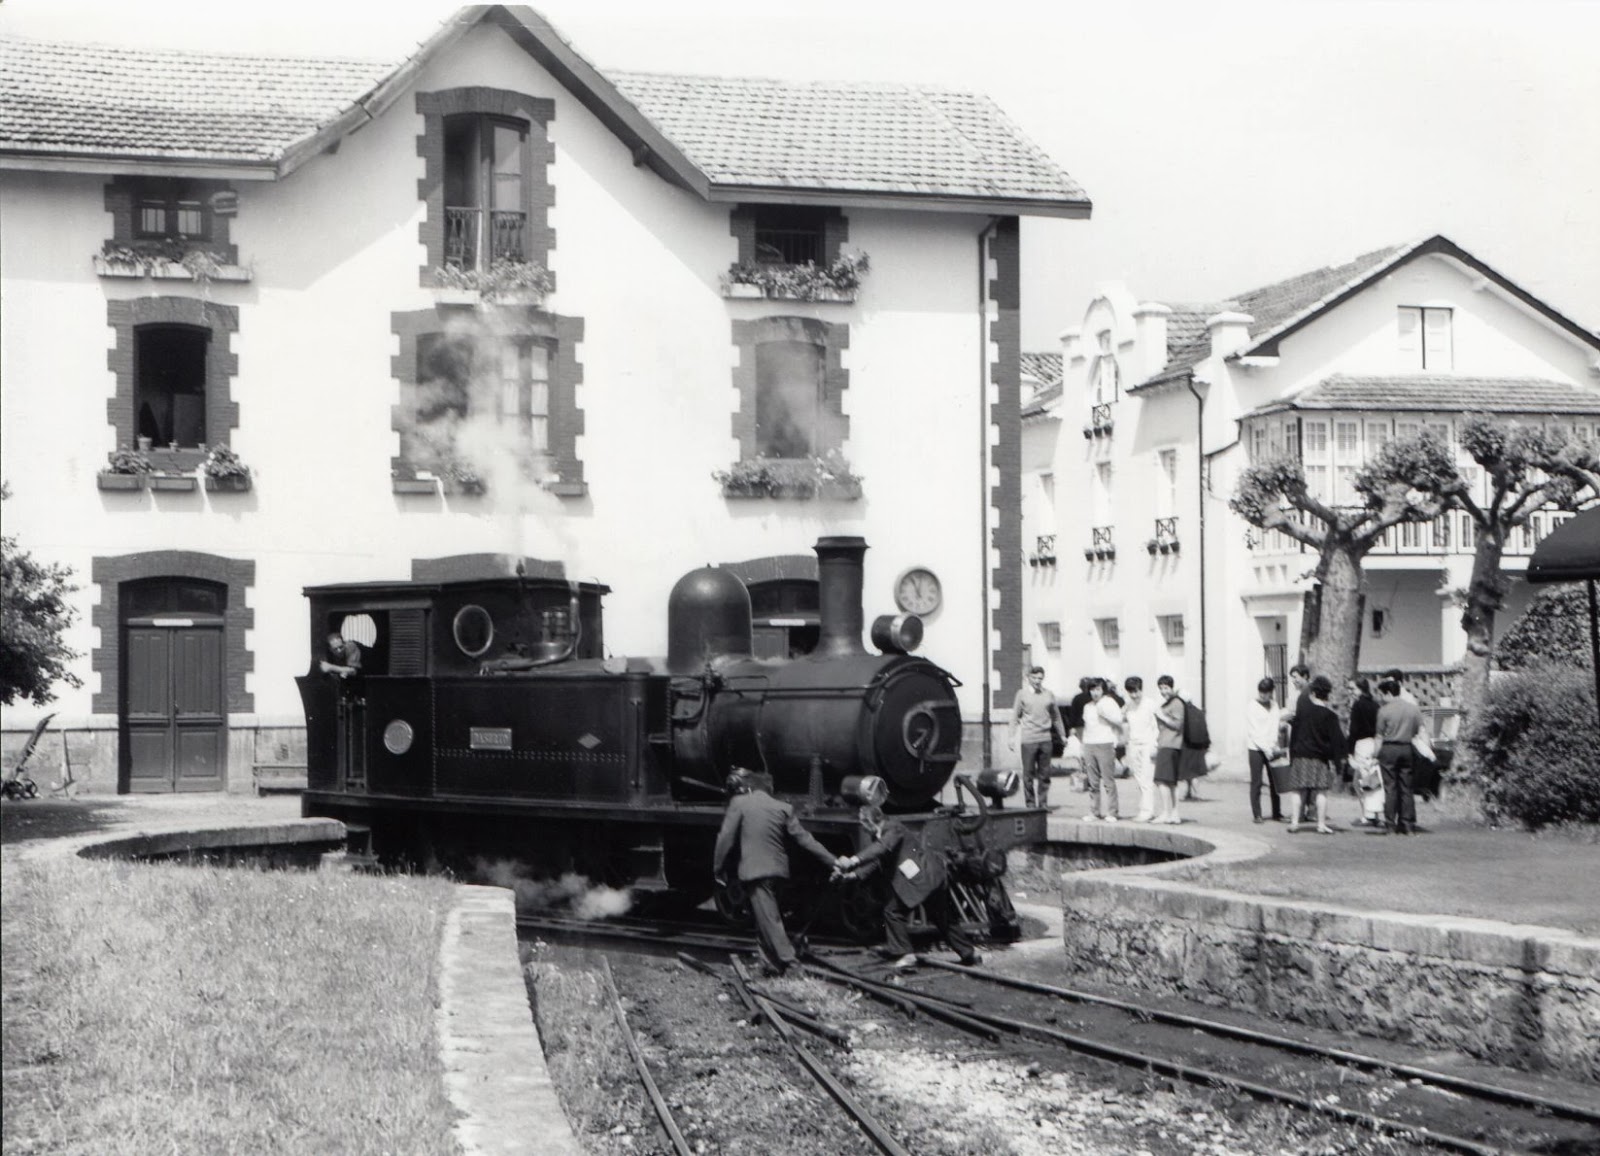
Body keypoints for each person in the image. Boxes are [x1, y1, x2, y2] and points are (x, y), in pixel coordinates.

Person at [713, 767, 842, 976]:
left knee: (769, 920)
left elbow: (725, 838)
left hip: (756, 871)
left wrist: (717, 868)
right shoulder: (783, 807)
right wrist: (833, 861)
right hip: (779, 871)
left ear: (746, 789)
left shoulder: (739, 803)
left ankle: (791, 965)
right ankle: (768, 964)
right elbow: (806, 840)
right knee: (764, 917)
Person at [835, 805, 980, 970]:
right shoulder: (882, 833)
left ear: (870, 821)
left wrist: (853, 860)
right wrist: (855, 875)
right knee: (943, 916)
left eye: (863, 823)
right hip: (930, 878)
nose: (862, 827)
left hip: (920, 879)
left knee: (893, 912)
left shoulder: (893, 828)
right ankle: (969, 953)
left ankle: (906, 955)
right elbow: (878, 860)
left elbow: (882, 848)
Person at [1282, 675, 1343, 833]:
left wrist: (1292, 754)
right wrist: (1338, 763)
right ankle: (1321, 824)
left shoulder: (1302, 713)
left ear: (1313, 693)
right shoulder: (1330, 716)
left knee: (1297, 790)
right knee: (1321, 791)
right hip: (1320, 758)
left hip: (1301, 754)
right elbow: (1337, 742)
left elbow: (1295, 734)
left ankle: (1295, 822)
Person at [1008, 666, 1065, 810]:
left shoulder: (1048, 695)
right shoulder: (1022, 694)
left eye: (1040, 678)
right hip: (1028, 740)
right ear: (1028, 678)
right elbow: (1015, 717)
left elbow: (1056, 717)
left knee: (1044, 775)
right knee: (1028, 775)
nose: (1037, 681)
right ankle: (1030, 804)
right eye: (1034, 678)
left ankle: (1043, 804)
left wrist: (1062, 735)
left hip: (1045, 739)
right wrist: (1011, 737)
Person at [1374, 679, 1425, 834]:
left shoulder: (1384, 711)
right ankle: (1408, 823)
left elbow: (1379, 736)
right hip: (1407, 748)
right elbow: (1419, 730)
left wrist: (1375, 754)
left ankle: (1390, 823)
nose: (1381, 698)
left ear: (1388, 693)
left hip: (1389, 748)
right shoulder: (1413, 709)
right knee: (1406, 787)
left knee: (1390, 787)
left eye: (1382, 694)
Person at [1079, 678, 1123, 822]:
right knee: (1093, 782)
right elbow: (1086, 727)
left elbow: (1119, 721)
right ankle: (1094, 812)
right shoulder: (1087, 706)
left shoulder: (1109, 702)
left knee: (1108, 781)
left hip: (1105, 743)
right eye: (1092, 690)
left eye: (1098, 689)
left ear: (1103, 690)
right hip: (1089, 744)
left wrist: (1106, 715)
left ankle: (1112, 812)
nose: (1095, 693)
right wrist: (1083, 747)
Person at [1243, 677, 1284, 823]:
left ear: (1271, 692)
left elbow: (1274, 727)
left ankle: (1277, 812)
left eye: (1265, 692)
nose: (1262, 695)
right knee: (1257, 781)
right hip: (1256, 748)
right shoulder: (1252, 706)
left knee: (1275, 780)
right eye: (1261, 692)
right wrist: (1266, 748)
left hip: (1271, 747)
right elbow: (1254, 732)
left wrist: (1273, 746)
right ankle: (1257, 814)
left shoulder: (1274, 706)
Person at [1346, 677, 1383, 829]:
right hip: (1374, 742)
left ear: (1361, 689)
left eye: (1352, 689)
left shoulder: (1358, 705)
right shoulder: (1375, 705)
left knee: (1361, 781)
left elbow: (1353, 730)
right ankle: (1372, 813)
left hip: (1361, 744)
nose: (1350, 692)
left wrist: (1348, 752)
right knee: (1371, 779)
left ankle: (1367, 815)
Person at [1122, 676, 1159, 822]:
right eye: (1131, 692)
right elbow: (1124, 723)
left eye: (1136, 691)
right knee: (1138, 778)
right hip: (1134, 745)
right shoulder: (1128, 705)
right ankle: (1143, 808)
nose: (1134, 695)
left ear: (1141, 689)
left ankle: (1147, 811)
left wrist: (1155, 746)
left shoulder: (1151, 704)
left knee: (1147, 779)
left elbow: (1157, 727)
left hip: (1148, 745)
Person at [1151, 675, 1187, 824]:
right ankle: (1174, 814)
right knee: (1171, 782)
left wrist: (1161, 716)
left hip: (1169, 744)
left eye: (1166, 688)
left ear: (1172, 687)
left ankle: (1167, 812)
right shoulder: (1171, 702)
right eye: (1161, 688)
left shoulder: (1176, 703)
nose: (1163, 691)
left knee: (1161, 780)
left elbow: (1178, 724)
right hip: (1168, 744)